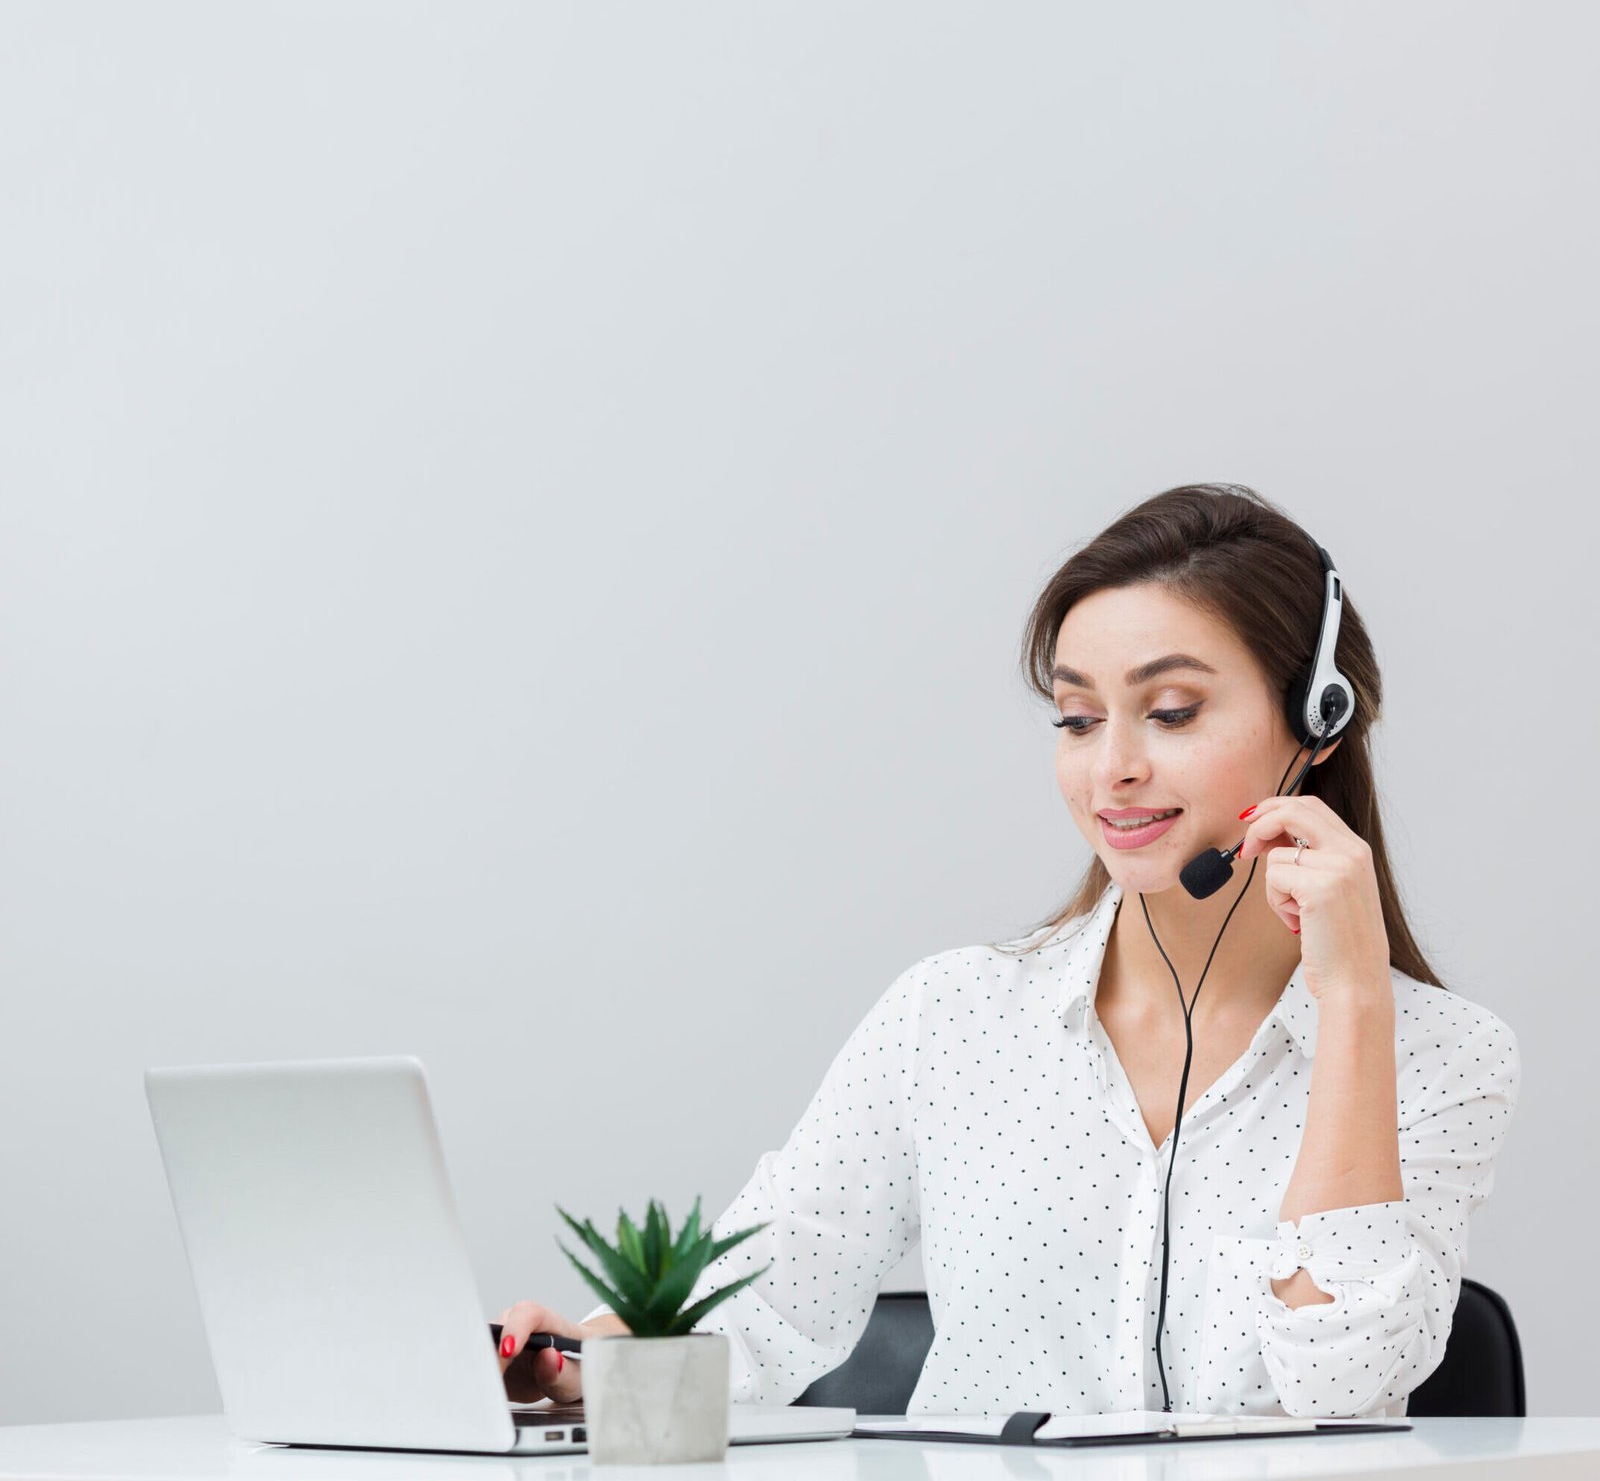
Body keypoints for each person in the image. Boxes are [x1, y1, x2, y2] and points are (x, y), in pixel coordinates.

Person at [494, 481, 1519, 1418]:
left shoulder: (1440, 1052)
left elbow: (1343, 1386)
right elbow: (771, 1290)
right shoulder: (952, 1016)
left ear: (1318, 720)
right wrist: (586, 1363)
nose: (1111, 767)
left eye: (1169, 712)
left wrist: (1350, 1009)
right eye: (1077, 718)